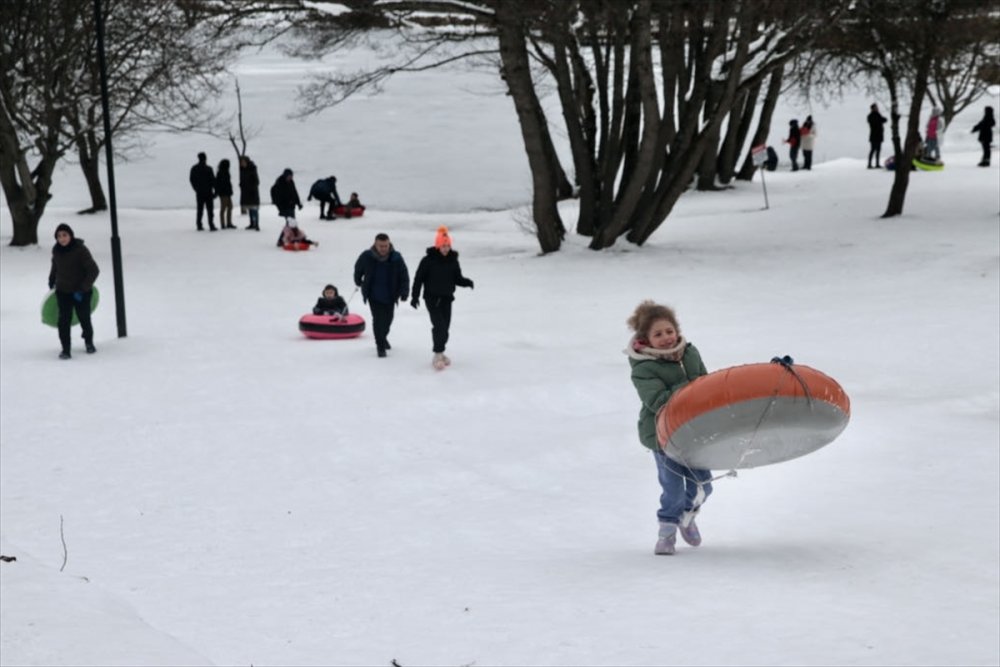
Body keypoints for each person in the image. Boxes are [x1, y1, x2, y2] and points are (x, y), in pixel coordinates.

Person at [625, 300, 712, 555]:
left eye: (669, 331)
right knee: (673, 488)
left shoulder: (690, 353)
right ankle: (667, 530)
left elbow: (705, 383)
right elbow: (657, 400)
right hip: (663, 435)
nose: (665, 338)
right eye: (658, 334)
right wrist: (690, 390)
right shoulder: (643, 368)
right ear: (646, 339)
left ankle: (687, 516)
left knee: (703, 485)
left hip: (694, 431)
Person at [410, 226, 474, 370]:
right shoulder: (428, 260)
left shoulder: (453, 260)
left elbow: (457, 278)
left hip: (447, 298)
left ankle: (441, 352)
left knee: (445, 328)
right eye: (443, 246)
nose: (446, 249)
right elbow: (418, 279)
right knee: (439, 326)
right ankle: (438, 354)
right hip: (432, 299)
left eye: (448, 246)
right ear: (438, 246)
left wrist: (467, 282)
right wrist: (415, 297)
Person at [48, 223, 100, 360]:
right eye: (59, 236)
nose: (62, 238)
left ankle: (89, 342)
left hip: (81, 292)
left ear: (71, 235)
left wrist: (83, 288)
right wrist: (51, 279)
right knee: (63, 321)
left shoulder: (80, 250)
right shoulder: (56, 250)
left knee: (84, 318)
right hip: (63, 291)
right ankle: (66, 349)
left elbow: (94, 270)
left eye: (65, 235)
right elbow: (55, 266)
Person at [353, 233, 409, 358]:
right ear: (375, 244)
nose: (384, 248)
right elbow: (358, 269)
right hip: (374, 295)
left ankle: (383, 337)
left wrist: (404, 292)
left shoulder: (396, 257)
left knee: (388, 320)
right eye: (381, 246)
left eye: (386, 246)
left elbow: (404, 275)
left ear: (389, 244)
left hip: (390, 295)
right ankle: (380, 346)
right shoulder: (367, 256)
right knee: (378, 321)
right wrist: (358, 281)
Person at [271, 168, 303, 244]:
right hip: (284, 207)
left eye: (291, 176)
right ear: (285, 175)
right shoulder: (279, 183)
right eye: (289, 176)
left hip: (291, 206)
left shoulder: (291, 182)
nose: (290, 178)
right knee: (290, 223)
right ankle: (282, 240)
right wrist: (280, 208)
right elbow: (277, 197)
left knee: (291, 223)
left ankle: (285, 239)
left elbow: (295, 193)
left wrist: (298, 203)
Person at [189, 152, 216, 231]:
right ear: (205, 158)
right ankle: (211, 224)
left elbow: (191, 180)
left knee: (200, 210)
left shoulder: (194, 168)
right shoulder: (209, 169)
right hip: (208, 192)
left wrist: (196, 188)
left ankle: (199, 225)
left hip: (199, 192)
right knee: (210, 210)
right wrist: (215, 192)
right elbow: (213, 181)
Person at [239, 156, 261, 231]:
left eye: (243, 162)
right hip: (246, 192)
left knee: (254, 208)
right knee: (250, 208)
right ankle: (252, 223)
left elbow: (256, 181)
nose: (242, 163)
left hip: (252, 192)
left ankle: (257, 224)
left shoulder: (252, 169)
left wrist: (251, 187)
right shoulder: (243, 170)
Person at [215, 159, 235, 229]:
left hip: (227, 193)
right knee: (224, 208)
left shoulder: (224, 172)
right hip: (224, 193)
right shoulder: (221, 173)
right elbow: (220, 184)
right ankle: (224, 224)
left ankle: (228, 223)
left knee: (230, 207)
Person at [867, 103, 887, 168]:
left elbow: (884, 120)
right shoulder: (870, 116)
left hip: (879, 135)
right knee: (873, 150)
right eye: (876, 107)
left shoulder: (878, 114)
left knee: (878, 150)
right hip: (874, 136)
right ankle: (869, 164)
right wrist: (879, 120)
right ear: (872, 108)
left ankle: (877, 164)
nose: (877, 108)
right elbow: (874, 123)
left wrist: (880, 118)